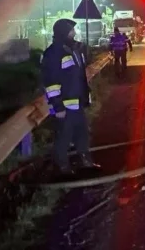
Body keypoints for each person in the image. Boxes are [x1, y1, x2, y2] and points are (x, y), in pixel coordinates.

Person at [41, 19, 99, 175]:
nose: (74, 33)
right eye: (71, 30)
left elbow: (79, 76)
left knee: (82, 134)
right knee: (63, 138)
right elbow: (51, 83)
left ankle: (86, 163)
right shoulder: (53, 53)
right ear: (64, 32)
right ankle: (62, 168)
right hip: (64, 106)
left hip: (77, 103)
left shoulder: (73, 50)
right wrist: (57, 106)